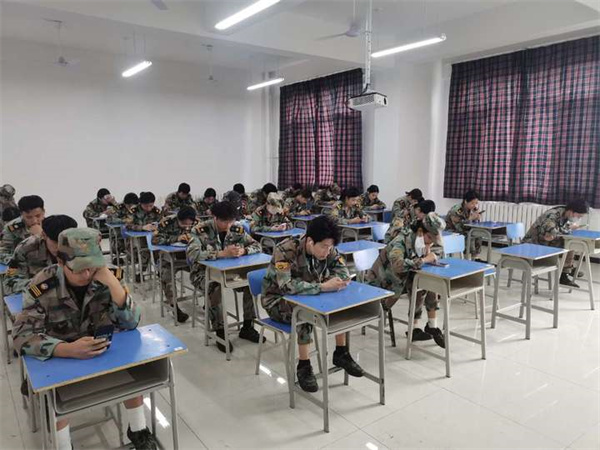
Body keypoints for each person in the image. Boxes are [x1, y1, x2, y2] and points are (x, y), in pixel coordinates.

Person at [262, 215, 365, 392]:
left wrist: (338, 281)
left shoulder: (327, 246)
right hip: (277, 300)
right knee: (304, 312)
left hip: (308, 294)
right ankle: (304, 365)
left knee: (338, 301)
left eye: (330, 247)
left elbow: (343, 271)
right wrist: (322, 286)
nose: (327, 251)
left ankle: (341, 352)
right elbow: (286, 286)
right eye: (324, 247)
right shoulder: (284, 251)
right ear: (310, 241)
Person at [187, 201, 264, 353]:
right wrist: (222, 254)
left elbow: (257, 245)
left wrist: (244, 251)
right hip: (203, 273)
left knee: (250, 282)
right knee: (214, 287)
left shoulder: (236, 229)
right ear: (215, 217)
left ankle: (247, 326)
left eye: (231, 221)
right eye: (224, 221)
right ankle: (220, 331)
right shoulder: (200, 230)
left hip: (230, 272)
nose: (228, 226)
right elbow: (192, 254)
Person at [365, 213, 447, 348]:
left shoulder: (421, 241)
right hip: (383, 284)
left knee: (427, 283)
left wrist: (429, 253)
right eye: (429, 238)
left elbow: (438, 251)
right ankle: (418, 328)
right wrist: (423, 260)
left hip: (401, 280)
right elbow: (398, 266)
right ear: (420, 231)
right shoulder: (401, 241)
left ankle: (428, 327)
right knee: (420, 283)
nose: (430, 243)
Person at [523, 198, 589, 287]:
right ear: (572, 211)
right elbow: (552, 232)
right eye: (579, 216)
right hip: (533, 244)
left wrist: (569, 228)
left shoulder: (564, 213)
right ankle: (565, 273)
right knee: (569, 244)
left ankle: (567, 269)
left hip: (544, 241)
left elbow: (558, 231)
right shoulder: (552, 215)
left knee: (571, 243)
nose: (579, 218)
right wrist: (568, 229)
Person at [4, 215, 77, 295]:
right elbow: (9, 284)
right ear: (44, 235)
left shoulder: (82, 247)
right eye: (56, 242)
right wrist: (44, 284)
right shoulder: (25, 249)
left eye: (65, 243)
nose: (60, 247)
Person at [152, 207, 198, 323]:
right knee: (167, 276)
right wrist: (176, 238)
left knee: (202, 271)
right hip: (167, 258)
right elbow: (155, 239)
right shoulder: (167, 222)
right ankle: (175, 307)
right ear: (178, 219)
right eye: (183, 224)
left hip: (188, 257)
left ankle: (208, 301)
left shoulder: (197, 222)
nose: (186, 227)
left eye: (189, 225)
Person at [125, 192, 161, 279]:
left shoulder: (156, 211)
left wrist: (156, 227)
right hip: (137, 237)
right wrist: (142, 227)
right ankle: (141, 272)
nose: (149, 208)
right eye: (146, 206)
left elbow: (162, 223)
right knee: (145, 250)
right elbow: (127, 225)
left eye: (151, 206)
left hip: (152, 236)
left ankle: (160, 270)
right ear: (140, 204)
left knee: (159, 249)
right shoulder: (134, 211)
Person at [0, 195, 46, 264]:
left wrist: (40, 235)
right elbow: (3, 252)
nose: (34, 221)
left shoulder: (51, 225)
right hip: (20, 264)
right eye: (29, 217)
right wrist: (17, 261)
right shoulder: (12, 227)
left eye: (38, 216)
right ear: (21, 214)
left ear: (43, 212)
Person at [446, 189, 483, 259]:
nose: (474, 205)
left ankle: (475, 257)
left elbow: (472, 225)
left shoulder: (472, 209)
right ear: (466, 201)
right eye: (472, 203)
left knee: (478, 233)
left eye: (476, 203)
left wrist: (477, 218)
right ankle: (467, 257)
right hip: (451, 230)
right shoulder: (457, 210)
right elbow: (459, 228)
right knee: (469, 235)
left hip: (463, 229)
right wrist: (470, 219)